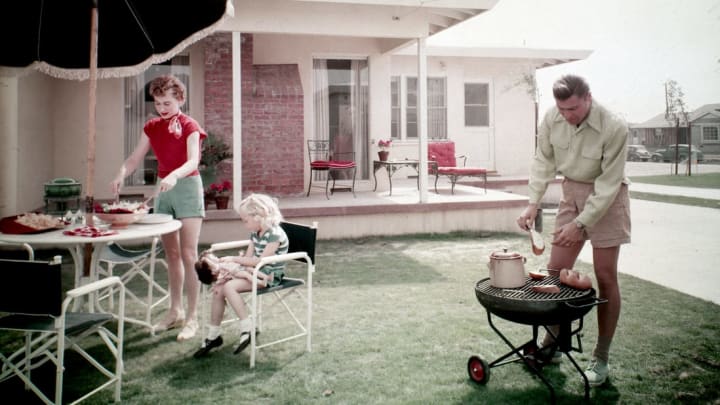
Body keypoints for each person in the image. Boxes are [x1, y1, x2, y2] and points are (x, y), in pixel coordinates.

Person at [516, 74, 630, 387]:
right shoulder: (552, 118)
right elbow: (543, 161)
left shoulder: (614, 127)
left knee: (605, 276)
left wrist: (581, 224)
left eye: (575, 109)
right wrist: (532, 203)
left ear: (588, 97)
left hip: (608, 199)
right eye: (563, 109)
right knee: (555, 270)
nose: (568, 115)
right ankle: (551, 345)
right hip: (571, 193)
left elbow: (608, 185)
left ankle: (601, 358)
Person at [111, 74, 206, 341]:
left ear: (180, 99)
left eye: (167, 103)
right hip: (164, 191)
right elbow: (133, 159)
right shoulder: (152, 126)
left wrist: (175, 175)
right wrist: (120, 173)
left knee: (189, 254)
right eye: (158, 103)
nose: (162, 108)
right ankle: (174, 311)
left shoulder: (190, 126)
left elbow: (193, 160)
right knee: (171, 255)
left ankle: (192, 317)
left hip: (186, 188)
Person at [193, 193, 288, 358]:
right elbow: (248, 260)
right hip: (254, 272)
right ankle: (213, 335)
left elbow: (260, 261)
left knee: (229, 287)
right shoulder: (256, 233)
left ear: (259, 216)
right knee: (219, 289)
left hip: (269, 276)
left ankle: (247, 327)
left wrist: (234, 259)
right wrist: (231, 270)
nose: (244, 224)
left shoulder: (275, 234)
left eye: (245, 220)